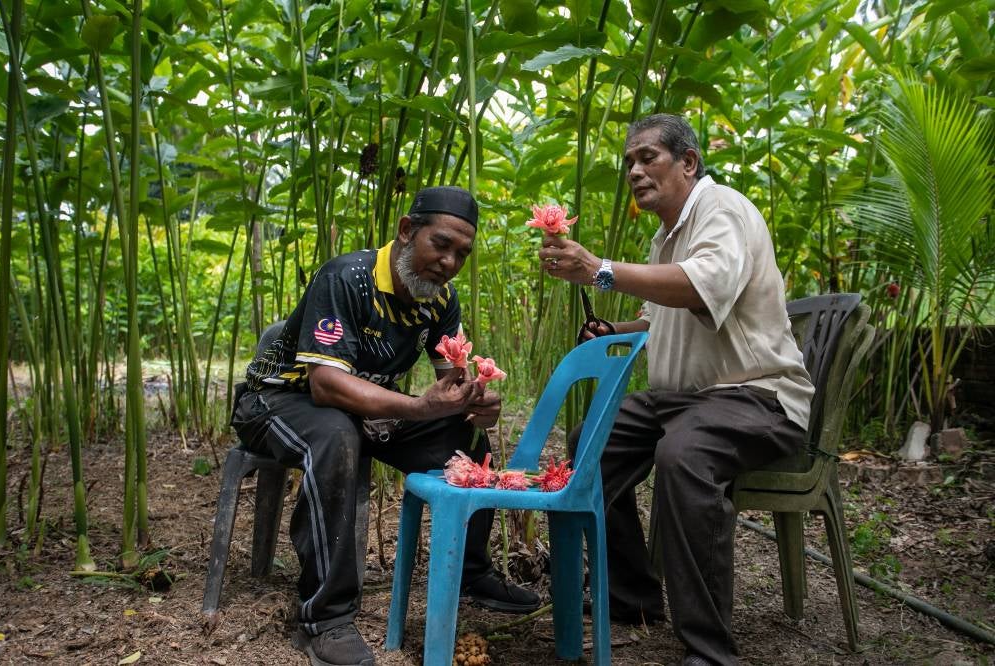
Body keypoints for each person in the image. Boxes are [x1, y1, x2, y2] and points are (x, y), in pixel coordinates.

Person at [537, 114, 814, 666]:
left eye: (648, 158)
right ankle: (633, 597)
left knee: (682, 455)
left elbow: (698, 286)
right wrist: (613, 329)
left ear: (688, 162)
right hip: (686, 402)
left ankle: (710, 652)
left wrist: (599, 269)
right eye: (629, 163)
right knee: (591, 440)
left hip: (756, 395)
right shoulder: (667, 234)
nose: (635, 171)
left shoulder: (722, 210)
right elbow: (659, 317)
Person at [232, 186, 540, 666]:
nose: (450, 262)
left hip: (361, 412)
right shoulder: (345, 278)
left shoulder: (440, 301)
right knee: (336, 434)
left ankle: (470, 573)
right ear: (405, 231)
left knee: (466, 438)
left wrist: (475, 402)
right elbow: (326, 386)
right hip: (276, 399)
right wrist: (419, 407)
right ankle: (325, 617)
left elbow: (449, 383)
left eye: (462, 254)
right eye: (440, 244)